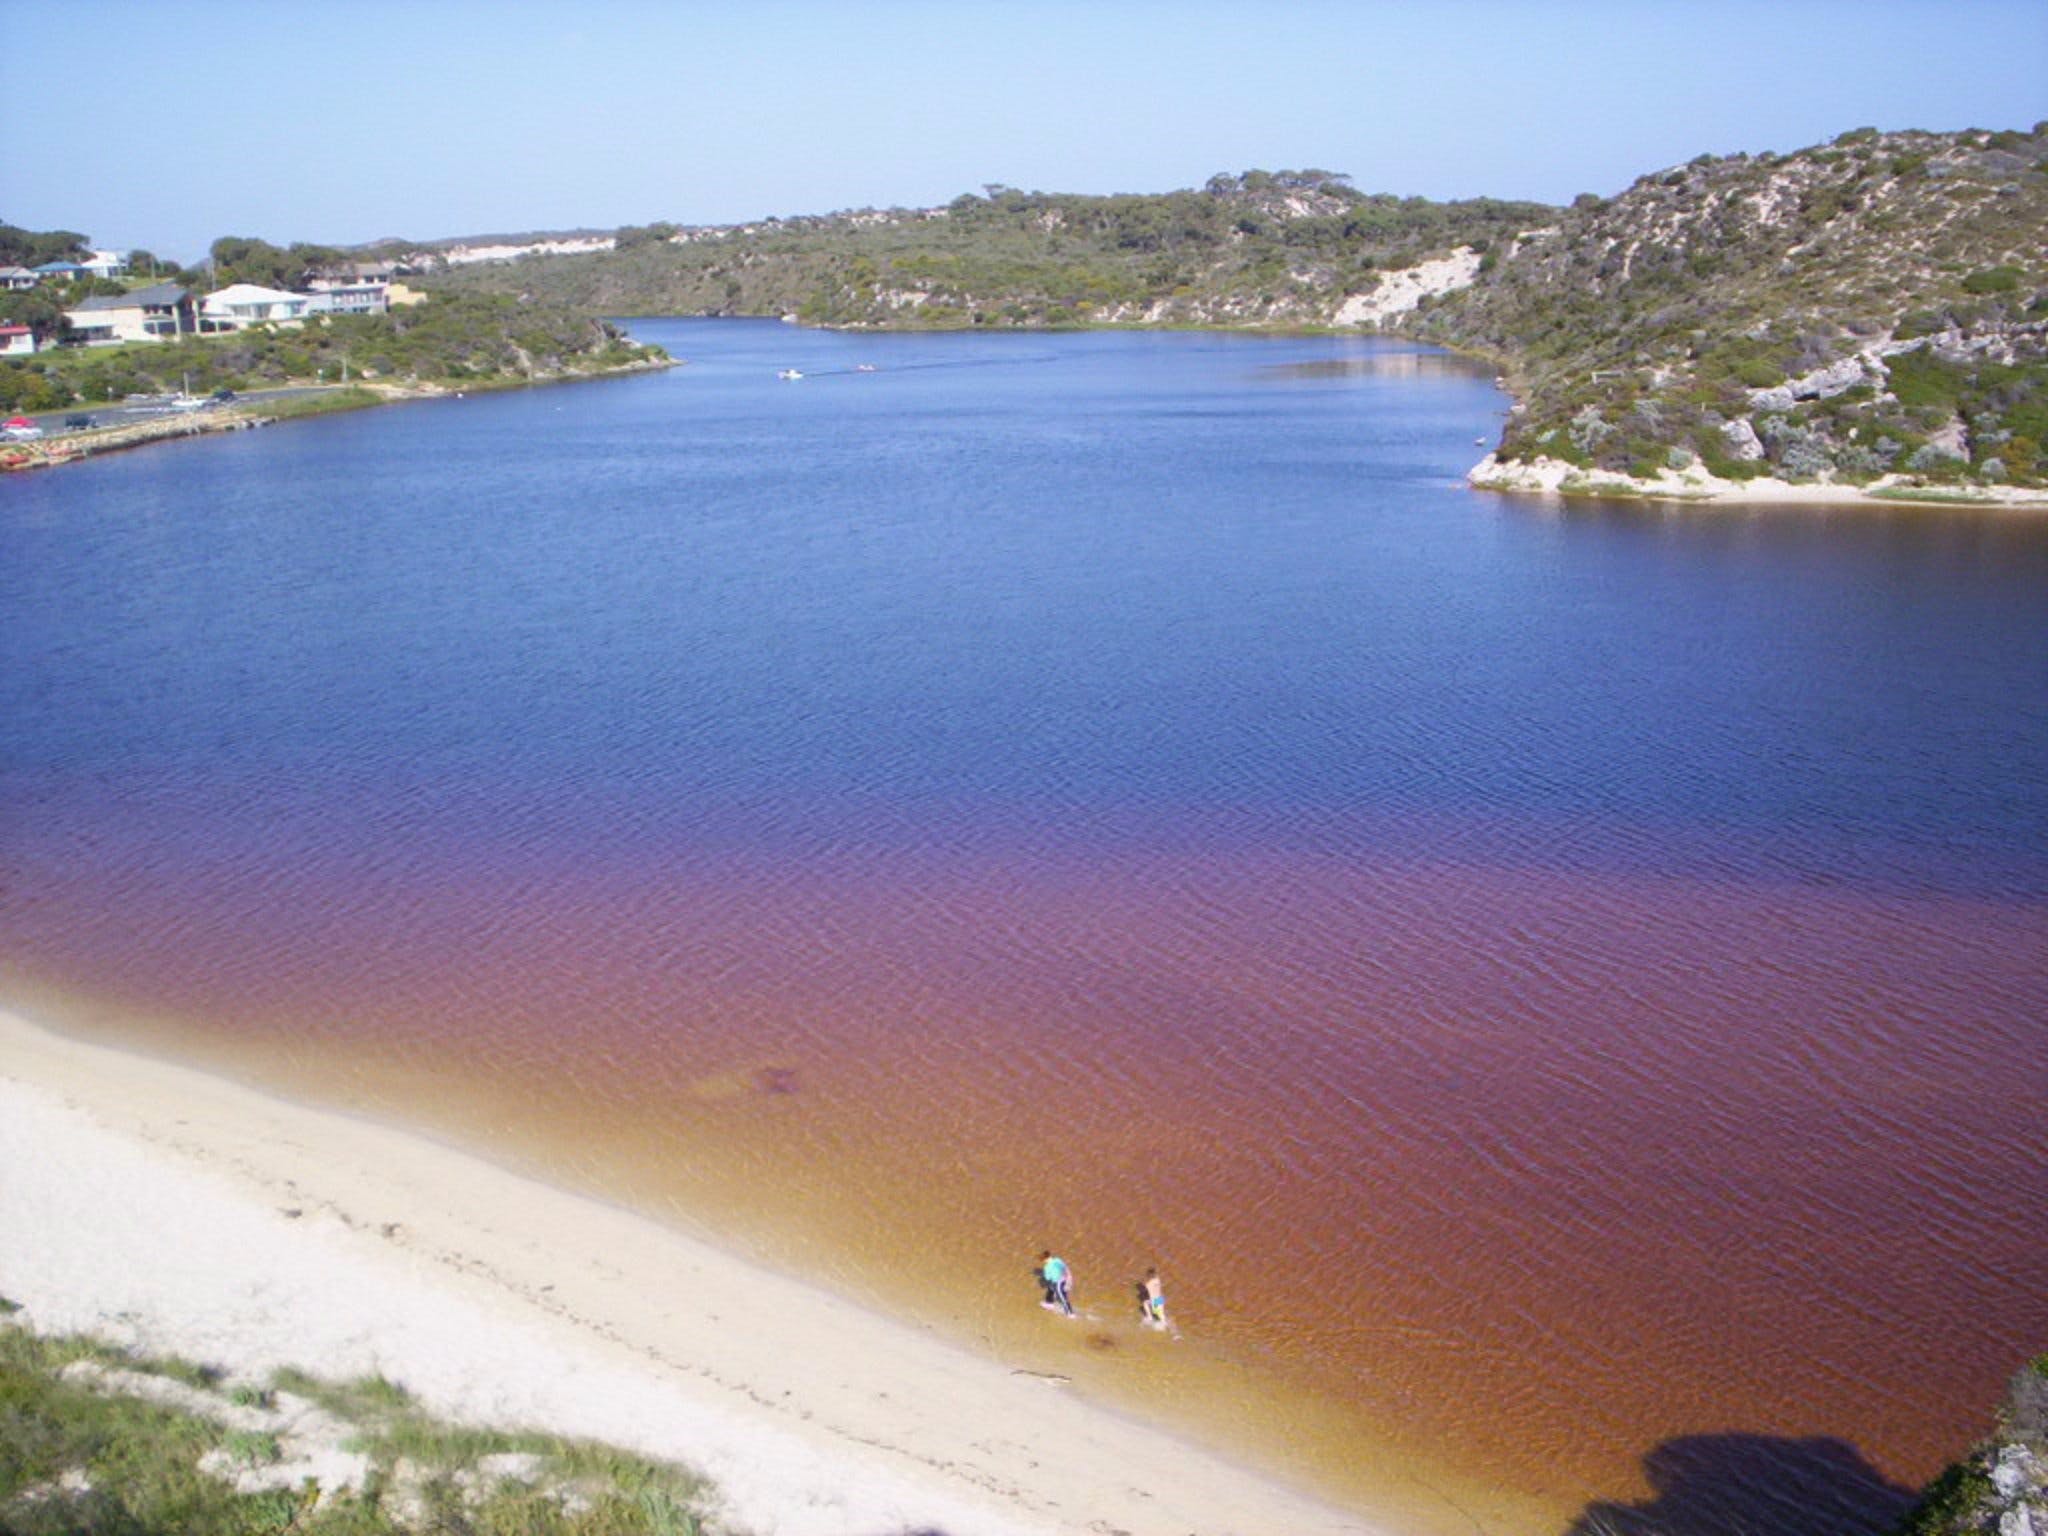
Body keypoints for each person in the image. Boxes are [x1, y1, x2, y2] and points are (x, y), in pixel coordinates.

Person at [1038, 1250, 1074, 1316]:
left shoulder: (1047, 1267)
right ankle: (1049, 1303)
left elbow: (1048, 1278)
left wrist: (1042, 1274)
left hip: (1059, 1282)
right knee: (1051, 1288)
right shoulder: (1057, 1260)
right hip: (1065, 1278)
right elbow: (1065, 1268)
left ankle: (1070, 1313)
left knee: (1062, 1296)